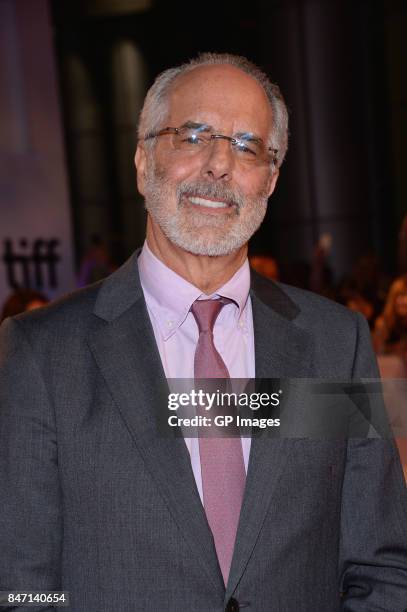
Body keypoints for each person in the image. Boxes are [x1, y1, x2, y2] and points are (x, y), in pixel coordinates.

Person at [1, 53, 406, 612]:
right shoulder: (44, 353)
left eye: (246, 145)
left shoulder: (333, 344)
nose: (219, 164)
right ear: (143, 162)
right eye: (194, 135)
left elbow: (380, 565)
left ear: (271, 177)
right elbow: (21, 585)